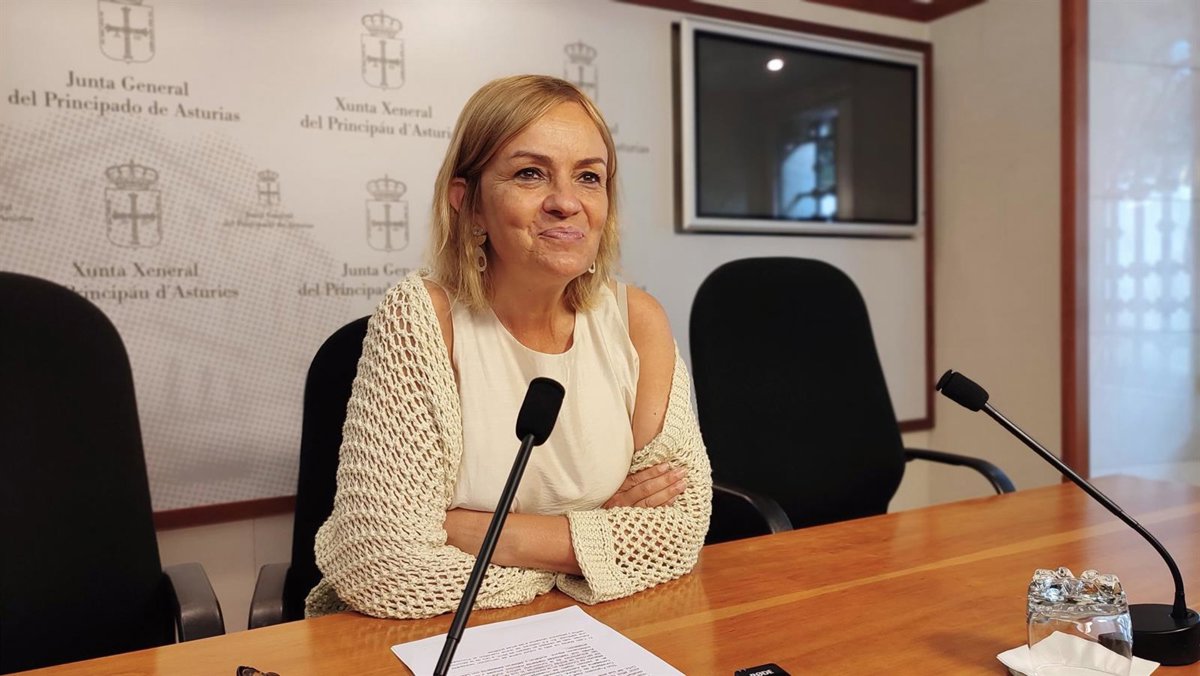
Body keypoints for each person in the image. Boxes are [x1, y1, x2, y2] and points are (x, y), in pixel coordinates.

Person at [306, 75, 712, 620]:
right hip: (419, 635)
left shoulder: (637, 320)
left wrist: (459, 529)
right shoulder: (422, 317)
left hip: (595, 631)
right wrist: (593, 542)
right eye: (530, 173)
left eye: (588, 177)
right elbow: (384, 564)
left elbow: (678, 531)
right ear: (468, 203)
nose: (566, 202)